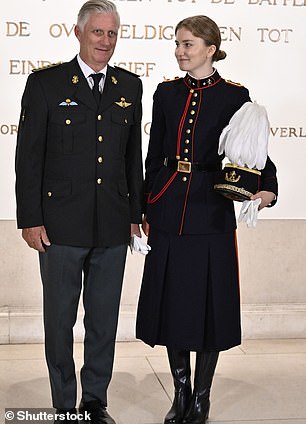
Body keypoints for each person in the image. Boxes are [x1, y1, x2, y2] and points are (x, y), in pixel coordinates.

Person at [136, 15, 277, 424]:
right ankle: (180, 391)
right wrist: (145, 205)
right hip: (166, 207)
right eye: (177, 44)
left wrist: (267, 187)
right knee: (171, 303)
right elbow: (154, 154)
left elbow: (253, 150)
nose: (180, 51)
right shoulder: (164, 93)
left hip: (210, 212)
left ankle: (201, 397)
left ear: (211, 49)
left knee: (209, 306)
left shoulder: (235, 96)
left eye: (189, 44)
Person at [15, 1, 143, 423]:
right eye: (98, 33)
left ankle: (94, 402)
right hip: (59, 226)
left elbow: (130, 159)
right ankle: (65, 404)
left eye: (112, 33)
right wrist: (30, 218)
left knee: (104, 321)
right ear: (79, 33)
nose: (105, 41)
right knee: (59, 320)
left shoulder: (129, 85)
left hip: (111, 224)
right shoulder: (46, 84)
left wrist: (135, 213)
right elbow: (28, 158)